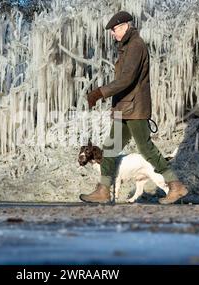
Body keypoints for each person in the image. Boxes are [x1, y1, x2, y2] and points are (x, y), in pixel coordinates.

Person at [79, 11, 188, 205]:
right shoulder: (127, 47)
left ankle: (176, 185)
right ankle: (103, 191)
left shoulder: (136, 46)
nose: (112, 34)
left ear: (123, 26)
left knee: (146, 148)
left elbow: (127, 79)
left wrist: (99, 92)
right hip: (124, 107)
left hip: (136, 108)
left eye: (114, 30)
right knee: (110, 149)